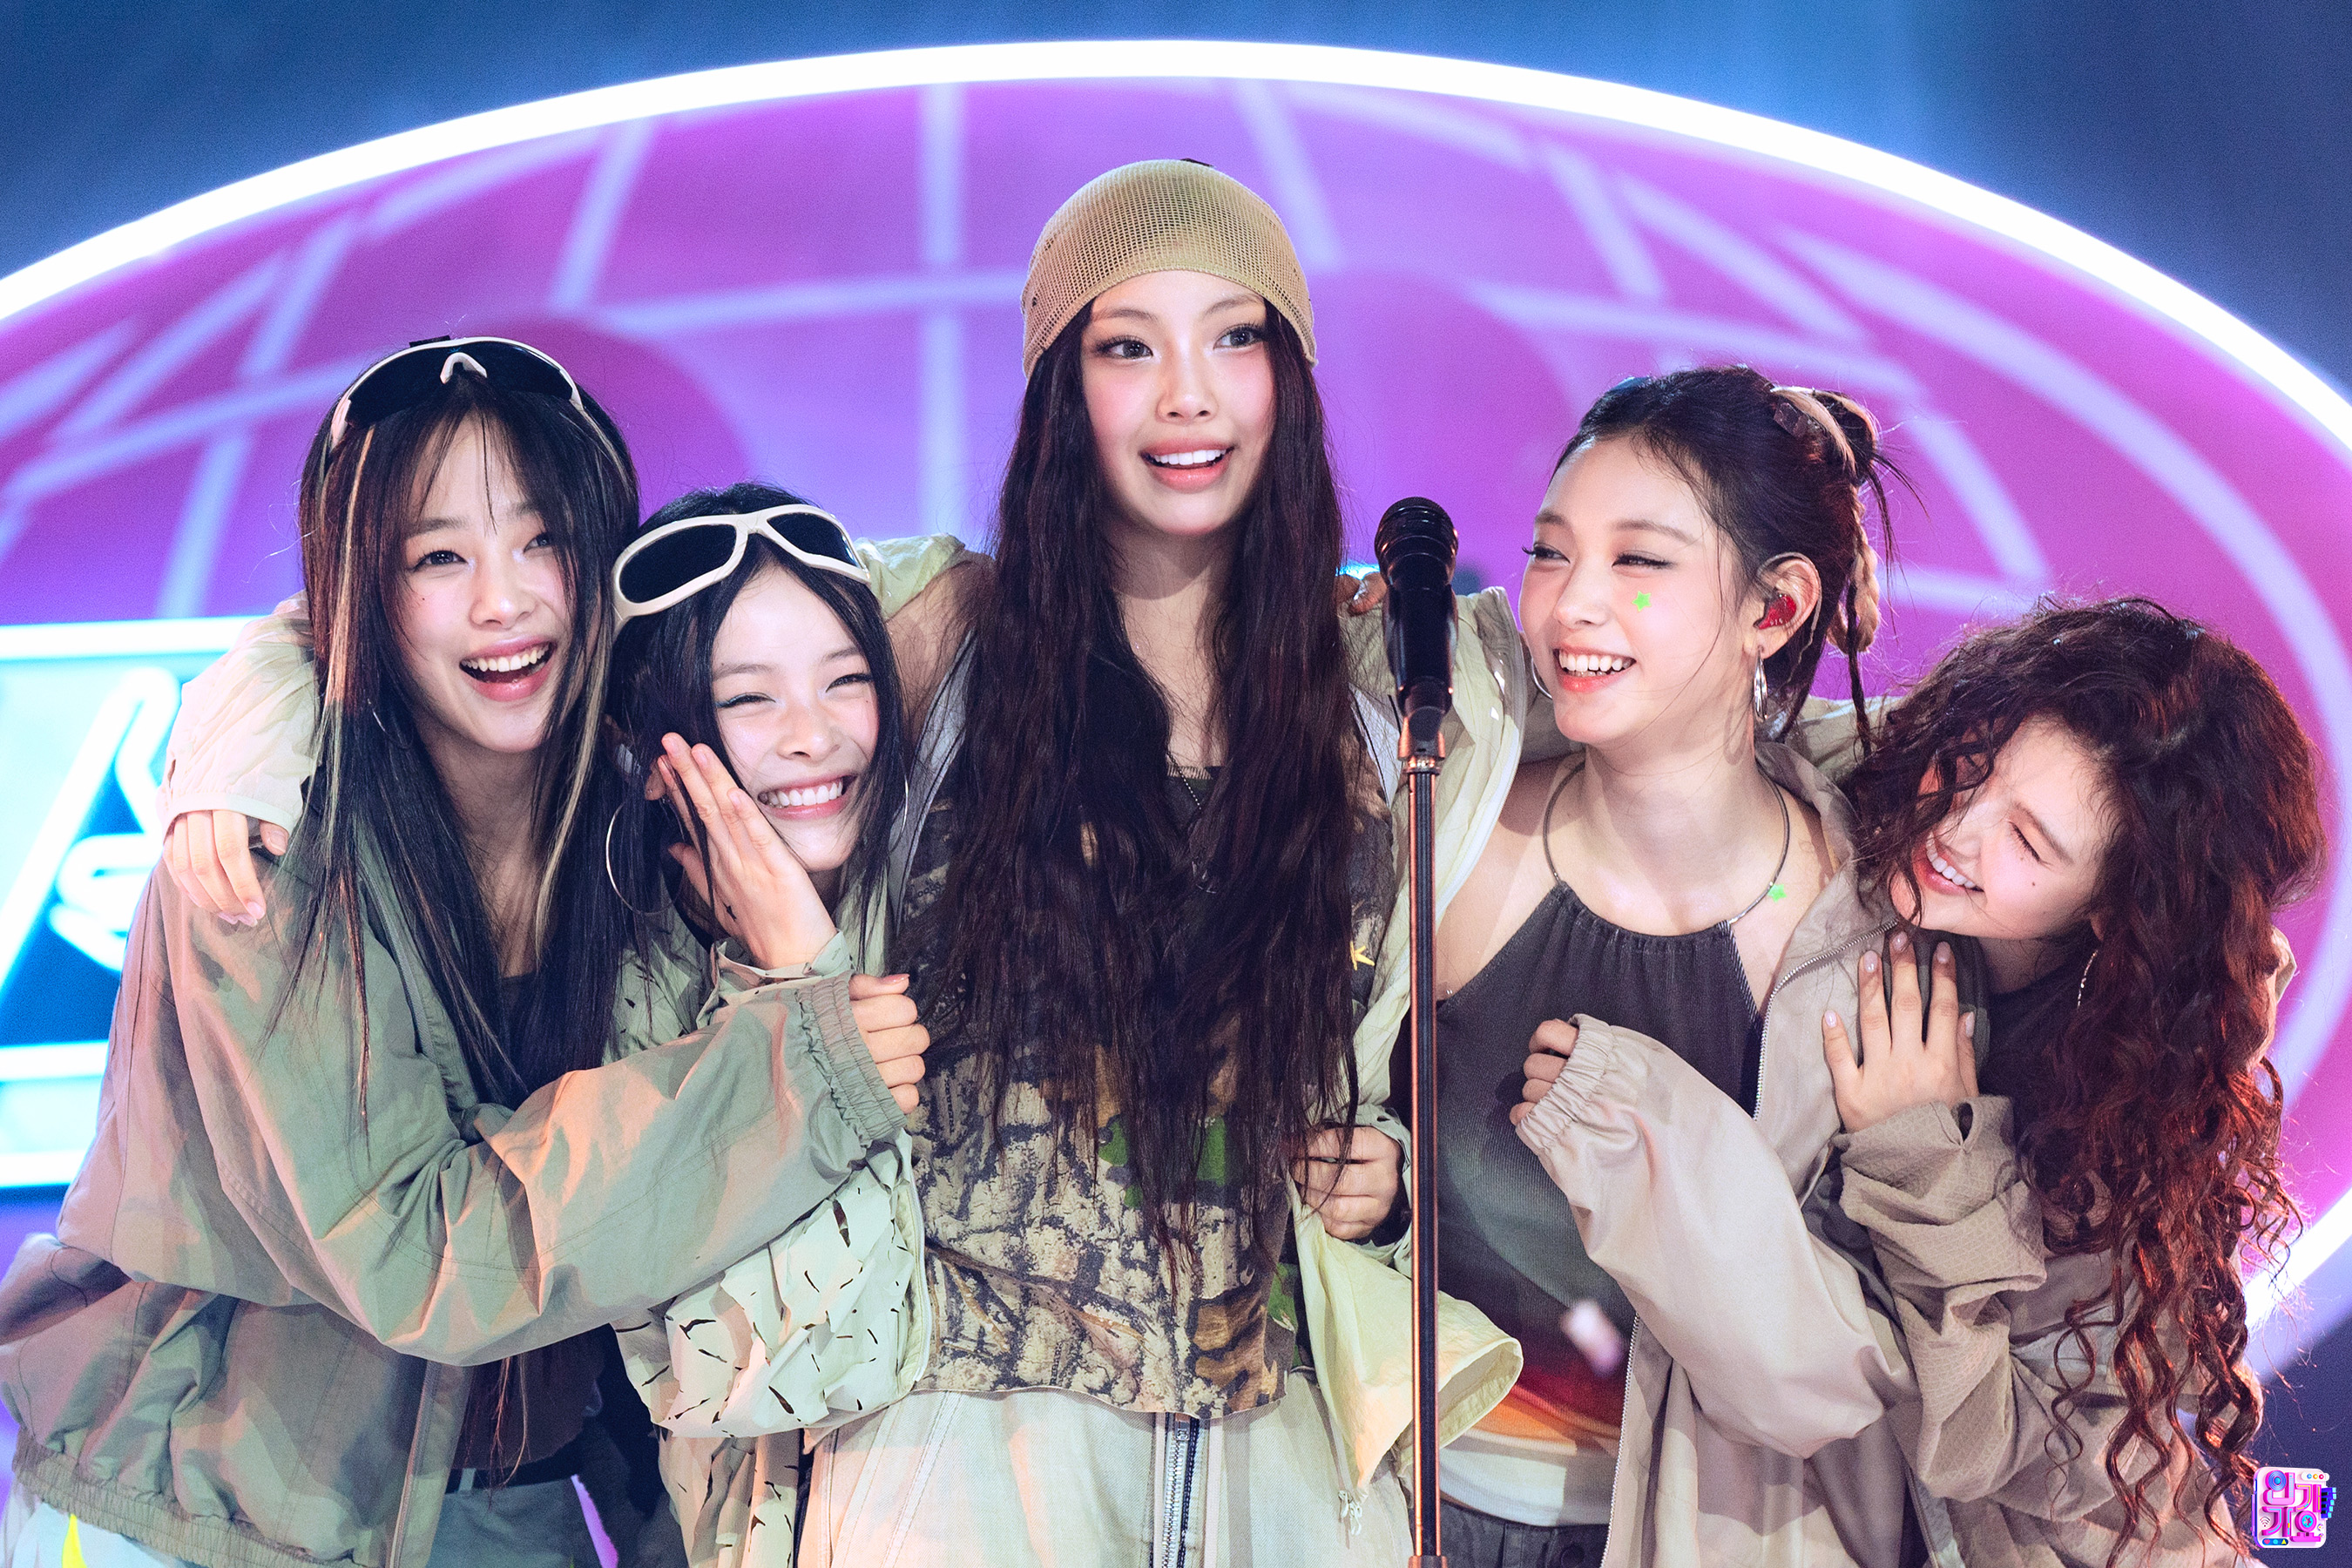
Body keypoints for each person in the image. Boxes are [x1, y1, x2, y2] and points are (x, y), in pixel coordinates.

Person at [140, 165, 1535, 1565]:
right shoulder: (938, 630)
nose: (1188, 396)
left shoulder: (1394, 685)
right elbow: (598, 615)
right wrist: (258, 709)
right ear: (1062, 387)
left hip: (1276, 1450)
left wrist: (1388, 1183)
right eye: (1128, 346)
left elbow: (1641, 638)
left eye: (1234, 337)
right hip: (964, 1461)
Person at [0, 341, 925, 1568]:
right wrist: (793, 1070)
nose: (505, 601)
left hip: (512, 1498)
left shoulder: (624, 813)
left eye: (542, 542)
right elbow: (415, 1253)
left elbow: (890, 590)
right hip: (210, 1510)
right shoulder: (271, 849)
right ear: (363, 589)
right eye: (439, 558)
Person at [1442, 366, 1952, 1568]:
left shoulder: (1871, 933)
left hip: (1724, 1534)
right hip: (1422, 1511)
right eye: (1552, 552)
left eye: (1639, 561)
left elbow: (1906, 1354)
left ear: (1775, 610)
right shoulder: (1454, 836)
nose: (1573, 603)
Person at [1818, 598, 2322, 1566]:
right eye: (1971, 764)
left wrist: (1926, 1158)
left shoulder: (2137, 1105)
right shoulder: (1890, 789)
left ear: (2113, 911)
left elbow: (2020, 1449)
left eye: (2028, 842)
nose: (1956, 826)